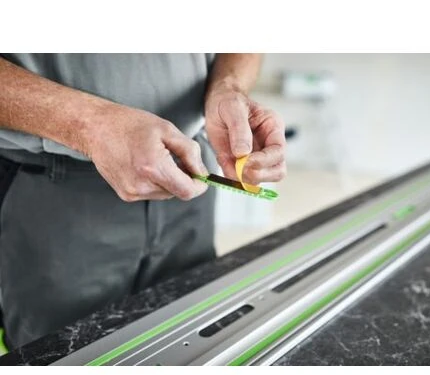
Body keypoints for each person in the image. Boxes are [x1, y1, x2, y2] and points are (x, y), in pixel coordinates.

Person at [0, 53, 286, 350]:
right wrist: (91, 125)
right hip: (51, 188)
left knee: (190, 338)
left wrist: (228, 86)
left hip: (190, 174)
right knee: (61, 353)